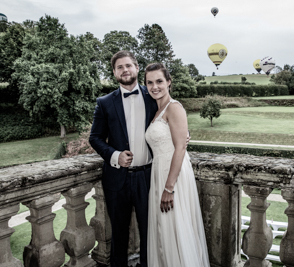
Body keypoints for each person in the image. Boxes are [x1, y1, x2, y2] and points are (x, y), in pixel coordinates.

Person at [89, 50, 158, 267]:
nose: (125, 70)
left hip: (148, 177)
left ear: (137, 68)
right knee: (118, 234)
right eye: (120, 67)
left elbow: (171, 121)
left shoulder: (154, 96)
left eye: (128, 65)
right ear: (114, 73)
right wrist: (115, 155)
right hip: (117, 180)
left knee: (151, 233)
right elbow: (95, 138)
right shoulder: (105, 102)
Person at [144, 63, 210, 267]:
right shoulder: (156, 110)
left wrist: (168, 188)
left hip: (173, 177)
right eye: (149, 82)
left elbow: (180, 148)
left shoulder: (174, 107)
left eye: (159, 81)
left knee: (176, 227)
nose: (154, 86)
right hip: (159, 171)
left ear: (169, 82)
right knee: (164, 230)